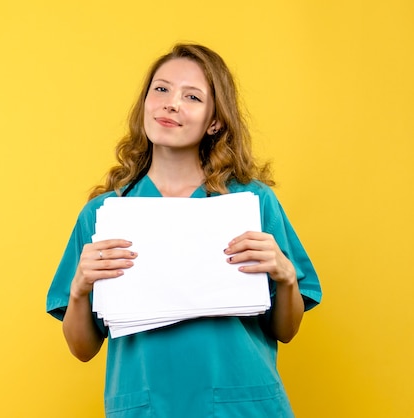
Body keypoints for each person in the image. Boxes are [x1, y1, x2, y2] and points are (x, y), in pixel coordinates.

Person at [46, 43, 322, 417]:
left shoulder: (252, 203)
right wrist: (79, 288)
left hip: (243, 406)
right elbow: (83, 350)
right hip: (148, 407)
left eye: (191, 96)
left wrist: (287, 277)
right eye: (160, 89)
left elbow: (286, 331)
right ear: (145, 102)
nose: (171, 103)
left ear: (215, 121)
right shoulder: (104, 214)